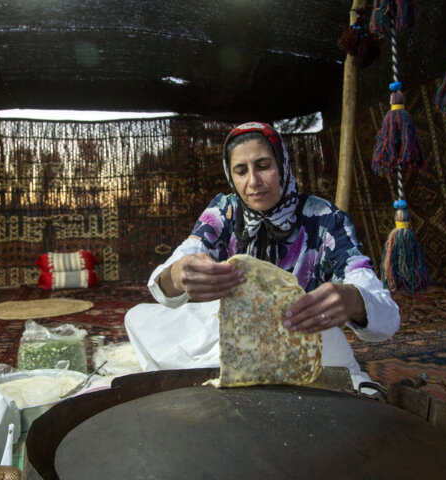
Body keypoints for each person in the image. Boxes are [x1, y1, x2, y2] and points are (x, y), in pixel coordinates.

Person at [125, 121, 400, 389]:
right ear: (230, 175)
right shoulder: (224, 212)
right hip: (237, 332)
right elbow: (181, 261)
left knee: (346, 384)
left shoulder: (325, 219)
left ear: (282, 165)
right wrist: (178, 273)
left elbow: (386, 316)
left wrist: (350, 298)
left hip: (301, 330)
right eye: (241, 171)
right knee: (137, 318)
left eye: (264, 166)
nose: (253, 182)